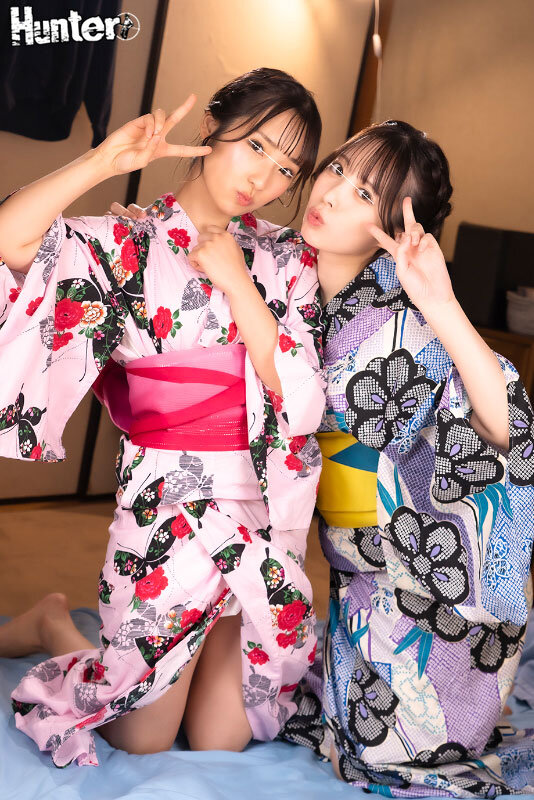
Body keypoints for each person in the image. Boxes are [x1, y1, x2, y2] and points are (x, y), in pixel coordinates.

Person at [0, 67, 326, 768]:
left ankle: (197, 649)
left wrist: (237, 278)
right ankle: (53, 623)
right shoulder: (129, 243)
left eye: (286, 168)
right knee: (142, 737)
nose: (264, 177)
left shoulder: (287, 258)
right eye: (256, 146)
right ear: (211, 127)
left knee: (221, 737)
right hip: (166, 505)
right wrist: (102, 161)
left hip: (260, 506)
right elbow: (11, 240)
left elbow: (297, 394)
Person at [277, 120, 534, 796]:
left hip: (425, 581)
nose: (332, 194)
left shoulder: (405, 315)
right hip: (353, 568)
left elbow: (505, 426)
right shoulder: (284, 269)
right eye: (338, 169)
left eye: (365, 194)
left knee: (387, 746)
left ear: (393, 227)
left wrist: (440, 302)